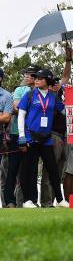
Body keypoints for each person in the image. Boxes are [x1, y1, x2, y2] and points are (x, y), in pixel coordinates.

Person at [17, 69, 69, 208]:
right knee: (28, 169)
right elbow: (21, 116)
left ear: (48, 81)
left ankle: (59, 199)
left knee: (53, 169)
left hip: (46, 138)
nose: (36, 80)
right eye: (36, 78)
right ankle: (27, 200)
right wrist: (22, 136)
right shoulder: (29, 95)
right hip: (30, 137)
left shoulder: (53, 97)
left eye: (40, 78)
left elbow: (66, 111)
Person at [3, 65, 39, 207]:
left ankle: (30, 200)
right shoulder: (19, 89)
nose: (26, 76)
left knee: (30, 170)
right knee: (12, 168)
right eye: (26, 74)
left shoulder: (41, 92)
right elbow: (16, 107)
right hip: (17, 133)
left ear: (37, 77)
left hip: (34, 136)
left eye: (30, 74)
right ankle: (9, 201)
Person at [40, 49, 72, 207]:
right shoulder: (46, 96)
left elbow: (65, 76)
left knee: (58, 171)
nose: (57, 84)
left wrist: (68, 59)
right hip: (52, 136)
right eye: (53, 83)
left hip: (64, 136)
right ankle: (46, 202)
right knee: (49, 170)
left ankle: (55, 200)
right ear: (48, 85)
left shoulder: (60, 95)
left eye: (58, 82)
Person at [0, 68, 14, 207]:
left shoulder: (7, 95)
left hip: (1, 137)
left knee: (4, 172)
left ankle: (6, 204)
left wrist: (2, 116)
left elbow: (6, 117)